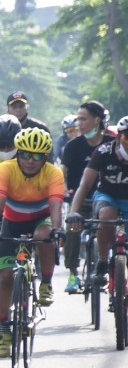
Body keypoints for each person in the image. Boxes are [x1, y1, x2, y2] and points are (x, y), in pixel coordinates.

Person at [0, 128, 65, 357]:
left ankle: (46, 283)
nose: (30, 161)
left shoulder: (53, 173)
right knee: (5, 277)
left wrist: (58, 230)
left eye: (37, 156)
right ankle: (3, 328)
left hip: (41, 219)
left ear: (46, 158)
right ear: (17, 154)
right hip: (12, 222)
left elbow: (56, 206)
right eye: (25, 155)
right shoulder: (5, 169)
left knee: (44, 235)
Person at [67, 116, 128, 290]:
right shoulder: (103, 152)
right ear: (118, 137)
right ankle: (102, 261)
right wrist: (74, 212)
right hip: (107, 196)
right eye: (127, 137)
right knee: (107, 217)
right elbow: (85, 185)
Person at [60, 101, 116, 292]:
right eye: (78, 119)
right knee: (72, 230)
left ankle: (116, 269)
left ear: (97, 120)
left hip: (110, 199)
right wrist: (63, 190)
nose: (79, 124)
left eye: (83, 119)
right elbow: (63, 173)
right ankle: (74, 274)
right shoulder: (73, 146)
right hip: (81, 200)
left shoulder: (112, 143)